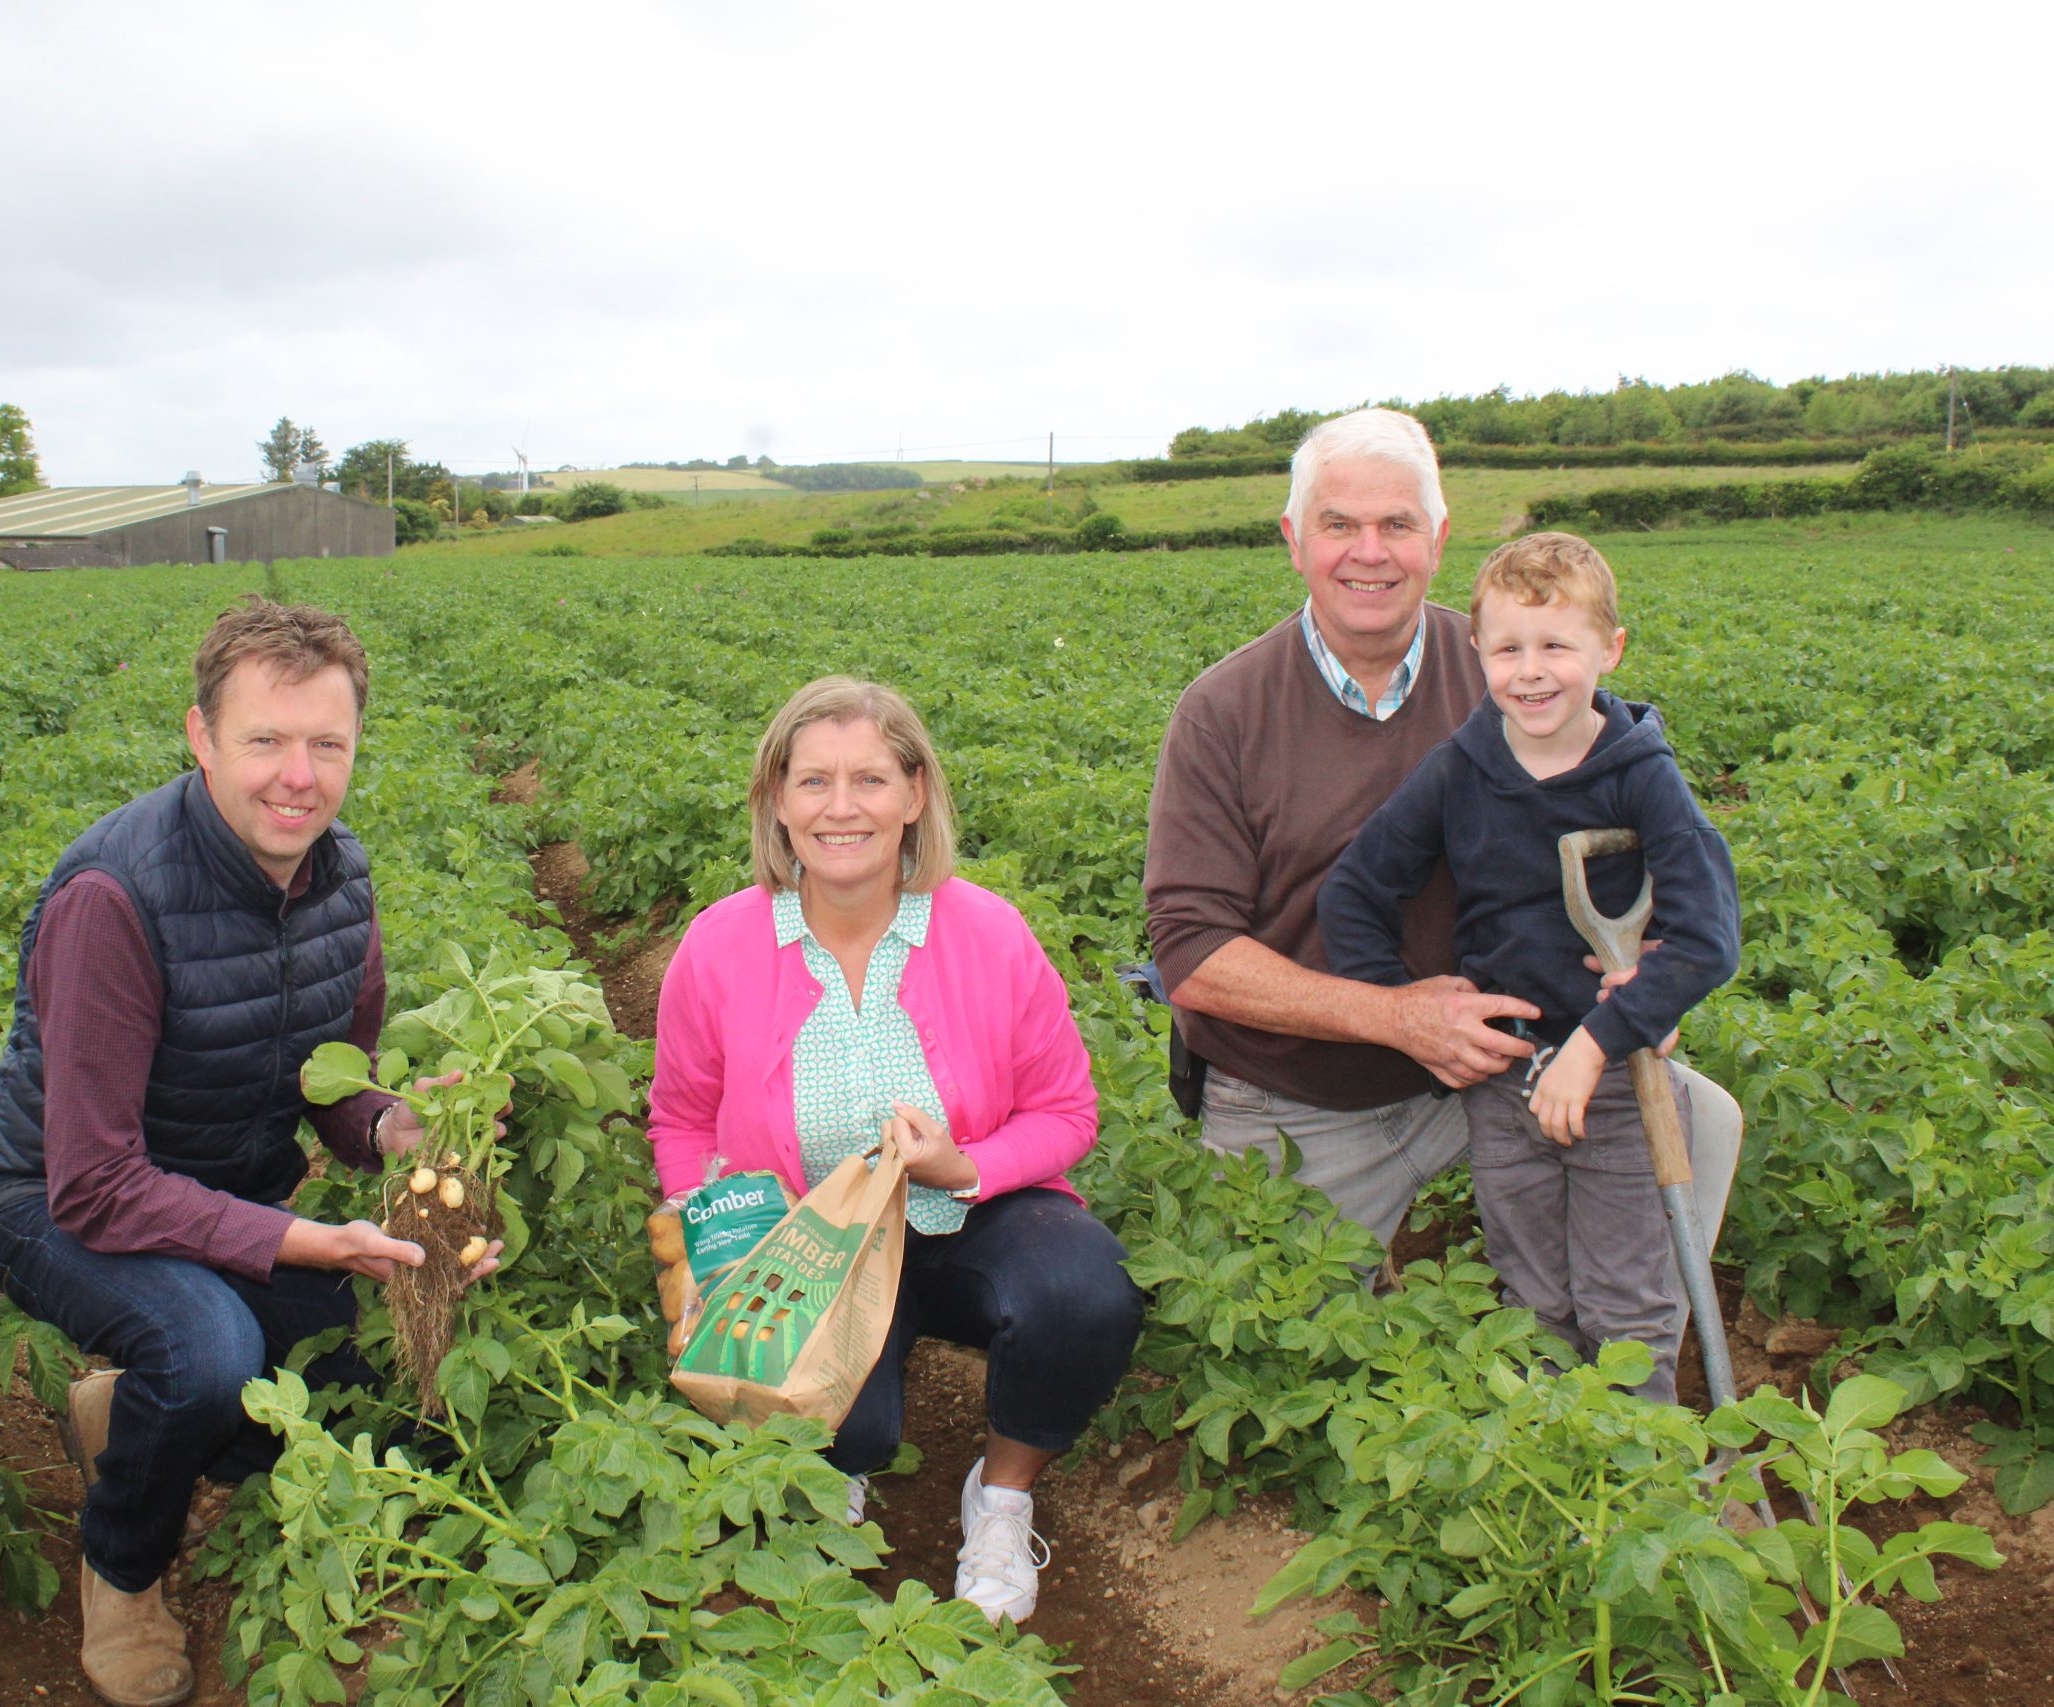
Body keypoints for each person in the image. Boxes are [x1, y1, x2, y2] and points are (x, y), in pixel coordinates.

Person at [0, 598, 497, 1707]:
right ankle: (121, 1562)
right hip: (54, 1207)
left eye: (326, 745)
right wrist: (304, 1242)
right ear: (200, 738)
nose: (297, 775)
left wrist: (403, 1128)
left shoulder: (341, 880)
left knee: (396, 1383)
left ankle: (142, 1415)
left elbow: (334, 1094)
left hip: (225, 1197)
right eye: (264, 740)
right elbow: (98, 1184)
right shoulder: (114, 896)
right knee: (208, 1353)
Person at [1142, 408, 1741, 1258]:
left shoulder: (1513, 667)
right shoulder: (1224, 710)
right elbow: (1192, 955)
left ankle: (1612, 1367)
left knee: (1700, 1126)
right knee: (1291, 1347)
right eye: (1339, 524)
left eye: (1397, 524)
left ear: (1440, 534)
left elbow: (1639, 841)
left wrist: (1638, 992)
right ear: (1292, 538)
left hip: (1508, 1064)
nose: (1370, 551)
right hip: (1300, 1099)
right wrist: (1393, 1015)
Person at [648, 676, 1144, 1626]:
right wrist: (714, 1242)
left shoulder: (988, 934)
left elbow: (1068, 1110)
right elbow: (680, 1118)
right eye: (815, 782)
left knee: (1082, 1292)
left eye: (871, 779)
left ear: (915, 795)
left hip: (966, 1220)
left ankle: (1001, 1499)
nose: (843, 808)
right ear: (777, 800)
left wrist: (967, 1167)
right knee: (852, 1428)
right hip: (812, 1244)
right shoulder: (719, 947)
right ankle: (835, 1483)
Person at [1318, 533, 1742, 1400]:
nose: (1531, 671)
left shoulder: (1642, 776)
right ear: (1476, 652)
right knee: (1534, 1294)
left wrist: (1600, 1040)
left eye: (1557, 645)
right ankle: (1560, 1468)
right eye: (1508, 647)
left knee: (1626, 1298)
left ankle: (1645, 1474)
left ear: (1610, 649)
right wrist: (1409, 1005)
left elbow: (1708, 936)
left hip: (1620, 1079)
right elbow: (1354, 891)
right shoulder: (1462, 770)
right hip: (1504, 1079)